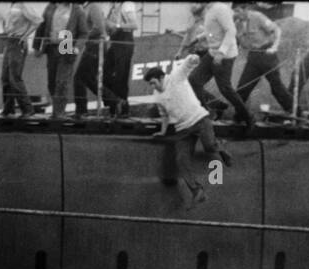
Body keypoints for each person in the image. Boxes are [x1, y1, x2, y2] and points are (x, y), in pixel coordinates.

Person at [144, 58, 232, 209]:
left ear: (161, 78)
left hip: (199, 119)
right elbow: (164, 115)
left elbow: (189, 63)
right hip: (183, 129)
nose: (153, 86)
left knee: (209, 146)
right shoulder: (158, 95)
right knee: (181, 160)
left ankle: (221, 147)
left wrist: (194, 58)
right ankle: (197, 191)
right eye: (150, 84)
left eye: (154, 82)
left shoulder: (176, 77)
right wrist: (162, 131)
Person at [188, 1, 253, 132]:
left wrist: (222, 52)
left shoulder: (220, 9)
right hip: (212, 53)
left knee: (226, 89)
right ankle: (206, 113)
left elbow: (231, 31)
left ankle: (248, 118)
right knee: (194, 80)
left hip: (225, 55)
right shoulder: (209, 9)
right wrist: (198, 38)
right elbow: (212, 30)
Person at [233, 2, 293, 115]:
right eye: (234, 11)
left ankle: (296, 113)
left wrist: (275, 47)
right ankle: (240, 118)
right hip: (253, 57)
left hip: (267, 55)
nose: (235, 13)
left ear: (245, 9)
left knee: (277, 88)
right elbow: (238, 41)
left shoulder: (257, 17)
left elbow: (277, 30)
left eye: (237, 11)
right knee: (242, 88)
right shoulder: (238, 24)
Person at [35, 2, 88, 118]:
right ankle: (56, 111)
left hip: (67, 47)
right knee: (52, 82)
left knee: (62, 82)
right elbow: (41, 26)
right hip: (51, 47)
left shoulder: (77, 10)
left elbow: (84, 33)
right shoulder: (50, 7)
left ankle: (59, 113)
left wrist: (76, 48)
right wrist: (36, 46)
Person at [0, 1, 42, 116]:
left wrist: (25, 35)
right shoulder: (13, 4)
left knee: (15, 78)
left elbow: (38, 20)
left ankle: (27, 109)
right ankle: (8, 109)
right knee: (5, 77)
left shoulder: (24, 4)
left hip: (18, 42)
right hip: (10, 41)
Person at [72, 1, 109, 117]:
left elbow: (99, 28)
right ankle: (114, 101)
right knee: (87, 78)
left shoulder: (94, 6)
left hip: (96, 46)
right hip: (90, 46)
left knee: (80, 77)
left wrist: (82, 34)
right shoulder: (85, 7)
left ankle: (82, 110)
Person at [102, 2, 139, 116]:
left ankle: (123, 109)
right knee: (106, 74)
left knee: (121, 76)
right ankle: (113, 105)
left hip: (124, 42)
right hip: (114, 42)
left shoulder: (126, 5)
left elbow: (134, 25)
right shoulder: (113, 6)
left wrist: (117, 26)